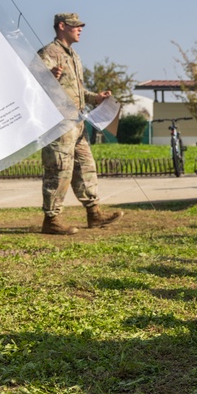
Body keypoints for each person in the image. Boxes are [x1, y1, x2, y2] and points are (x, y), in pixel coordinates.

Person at [37, 13, 123, 235]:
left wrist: (96, 98)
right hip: (58, 124)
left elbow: (77, 91)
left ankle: (94, 214)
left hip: (77, 122)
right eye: (76, 26)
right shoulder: (48, 53)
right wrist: (48, 77)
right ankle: (52, 219)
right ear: (62, 26)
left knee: (86, 167)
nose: (80, 29)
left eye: (81, 26)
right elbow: (33, 83)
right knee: (59, 169)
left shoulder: (74, 56)